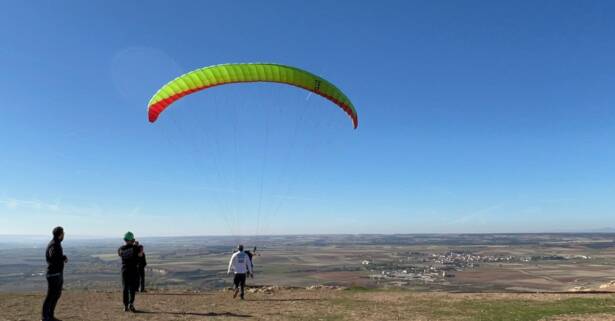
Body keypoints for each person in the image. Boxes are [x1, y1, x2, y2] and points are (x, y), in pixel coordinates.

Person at [42, 226, 68, 321]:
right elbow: (53, 258)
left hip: (57, 274)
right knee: (50, 296)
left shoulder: (56, 243)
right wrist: (62, 258)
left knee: (56, 295)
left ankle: (50, 316)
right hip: (53, 275)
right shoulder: (54, 245)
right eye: (63, 233)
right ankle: (45, 317)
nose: (64, 234)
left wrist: (63, 257)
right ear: (60, 234)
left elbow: (56, 256)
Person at [118, 232, 143, 312]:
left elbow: (120, 254)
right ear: (132, 239)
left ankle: (125, 306)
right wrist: (137, 246)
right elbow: (140, 255)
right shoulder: (136, 248)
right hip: (134, 270)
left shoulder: (121, 248)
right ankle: (131, 304)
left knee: (125, 288)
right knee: (132, 288)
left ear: (125, 240)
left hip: (125, 270)